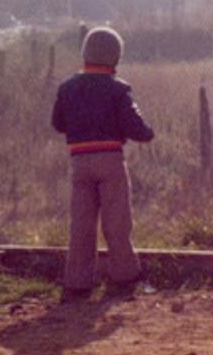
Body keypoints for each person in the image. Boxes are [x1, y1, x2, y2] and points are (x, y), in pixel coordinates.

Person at [52, 26, 154, 299]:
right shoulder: (118, 90)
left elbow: (58, 124)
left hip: (79, 162)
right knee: (116, 221)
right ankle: (124, 276)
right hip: (110, 161)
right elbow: (136, 128)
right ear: (115, 58)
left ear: (85, 53)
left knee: (81, 224)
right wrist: (148, 132)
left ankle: (77, 282)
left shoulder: (67, 88)